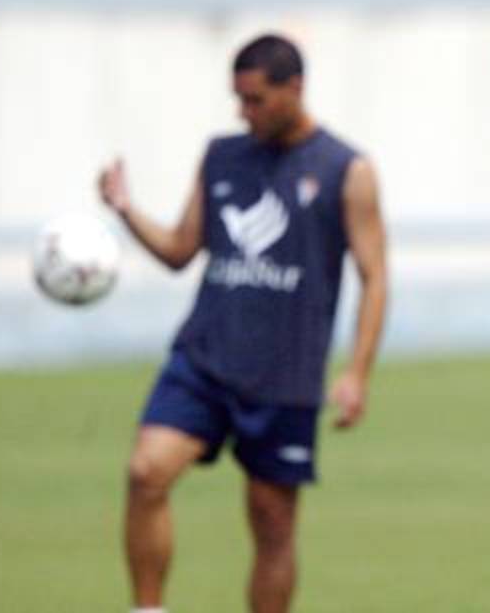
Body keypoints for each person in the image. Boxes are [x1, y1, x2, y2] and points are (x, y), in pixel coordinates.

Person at [98, 33, 388, 613]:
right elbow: (182, 249)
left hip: (286, 373)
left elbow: (374, 275)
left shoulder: (345, 170)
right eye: (238, 99)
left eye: (255, 100)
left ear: (294, 89)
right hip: (205, 357)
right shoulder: (222, 155)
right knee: (145, 471)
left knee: (273, 522)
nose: (243, 112)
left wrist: (357, 373)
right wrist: (126, 211)